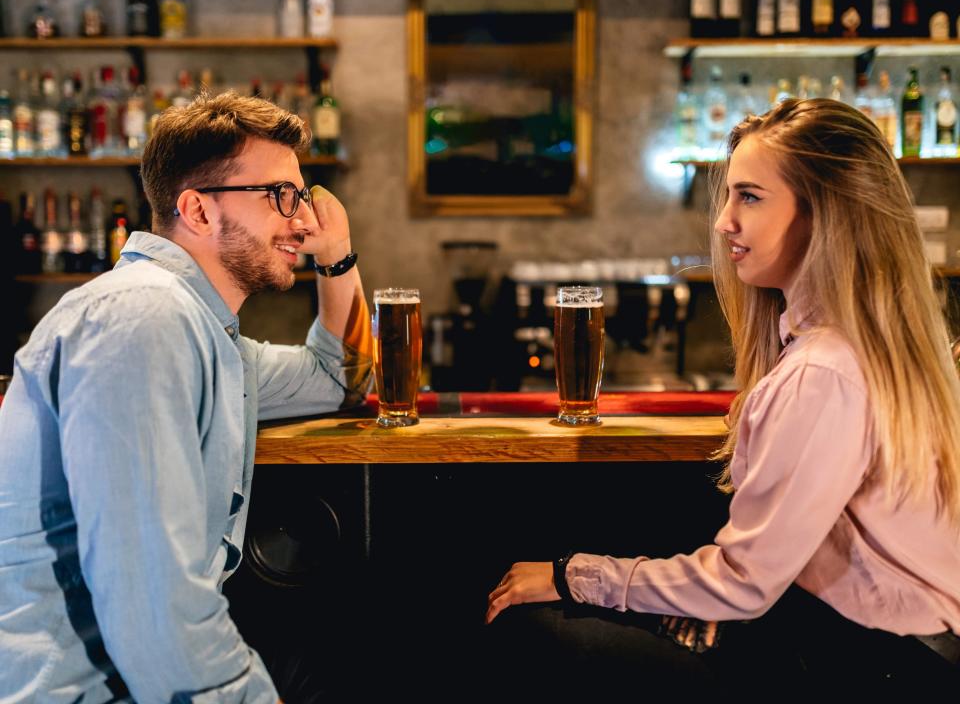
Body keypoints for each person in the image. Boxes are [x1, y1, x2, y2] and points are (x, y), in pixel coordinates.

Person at [486, 98, 960, 692]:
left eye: (750, 197)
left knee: (533, 632)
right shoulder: (871, 351)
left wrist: (571, 574)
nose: (723, 221)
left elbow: (743, 581)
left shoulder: (823, 372)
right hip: (901, 658)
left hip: (867, 670)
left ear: (824, 216)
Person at [0, 92, 372, 702]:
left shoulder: (208, 336)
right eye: (281, 195)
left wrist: (337, 256)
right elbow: (150, 594)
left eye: (301, 196)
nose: (303, 221)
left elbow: (341, 381)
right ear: (198, 210)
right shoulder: (143, 319)